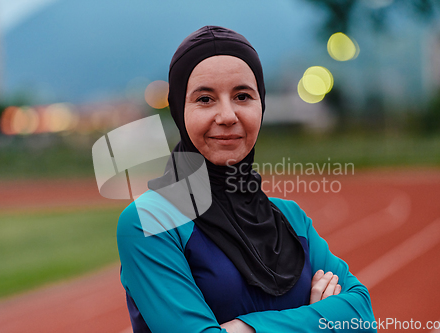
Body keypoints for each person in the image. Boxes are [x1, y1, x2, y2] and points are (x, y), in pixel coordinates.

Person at [116, 26, 376, 333]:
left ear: (261, 105)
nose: (227, 115)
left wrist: (245, 329)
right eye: (204, 99)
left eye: (242, 96)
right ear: (178, 111)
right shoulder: (149, 222)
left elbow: (361, 317)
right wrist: (318, 319)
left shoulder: (292, 219)